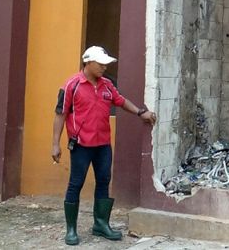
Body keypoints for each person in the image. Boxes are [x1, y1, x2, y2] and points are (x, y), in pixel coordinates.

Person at [52, 46, 157, 246]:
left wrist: (140, 112)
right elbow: (60, 115)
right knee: (76, 183)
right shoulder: (71, 86)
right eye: (100, 64)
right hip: (81, 145)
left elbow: (121, 101)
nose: (103, 68)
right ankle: (71, 229)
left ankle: (101, 224)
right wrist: (55, 144)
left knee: (103, 180)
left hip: (103, 145)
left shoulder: (107, 85)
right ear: (88, 62)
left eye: (105, 64)